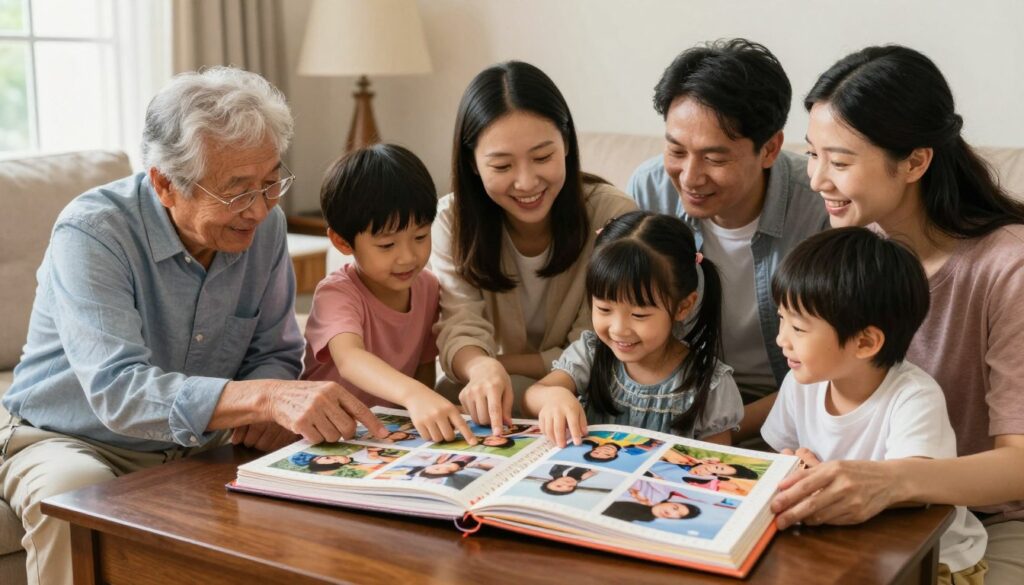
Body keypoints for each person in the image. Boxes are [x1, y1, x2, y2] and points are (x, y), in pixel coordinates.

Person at [0, 67, 386, 585]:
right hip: (69, 436)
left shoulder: (266, 225)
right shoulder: (92, 232)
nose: (258, 209)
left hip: (199, 437)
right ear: (164, 183)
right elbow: (120, 392)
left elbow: (273, 349)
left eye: (271, 181)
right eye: (235, 192)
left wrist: (268, 400)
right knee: (79, 499)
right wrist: (265, 399)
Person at [771, 45, 1024, 585]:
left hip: (988, 522)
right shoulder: (856, 243)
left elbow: (1019, 465)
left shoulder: (1009, 269)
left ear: (914, 161)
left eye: (839, 162)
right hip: (879, 511)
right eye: (812, 154)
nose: (816, 180)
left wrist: (889, 482)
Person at [761, 227, 988, 582]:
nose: (781, 339)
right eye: (781, 319)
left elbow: (916, 493)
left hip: (937, 556)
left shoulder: (914, 397)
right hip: (847, 540)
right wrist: (791, 469)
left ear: (865, 342)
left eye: (798, 328)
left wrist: (827, 482)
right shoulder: (801, 381)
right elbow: (781, 452)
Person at [627, 39, 829, 435]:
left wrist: (727, 429)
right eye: (676, 151)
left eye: (715, 158)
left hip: (787, 408)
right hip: (680, 400)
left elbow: (835, 366)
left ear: (770, 148)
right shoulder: (650, 191)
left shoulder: (820, 207)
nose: (689, 177)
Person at [432, 61, 638, 435]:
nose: (526, 182)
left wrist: (502, 363)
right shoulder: (450, 221)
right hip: (492, 392)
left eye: (543, 157)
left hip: (582, 392)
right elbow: (459, 324)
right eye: (502, 165)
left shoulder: (613, 215)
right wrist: (482, 367)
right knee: (453, 392)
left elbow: (597, 343)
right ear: (473, 164)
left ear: (567, 145)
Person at [302, 144, 475, 444]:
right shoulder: (336, 294)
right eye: (387, 245)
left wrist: (423, 403)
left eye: (420, 236)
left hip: (390, 438)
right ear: (342, 242)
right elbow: (350, 358)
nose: (408, 257)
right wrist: (414, 394)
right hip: (328, 436)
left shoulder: (429, 287)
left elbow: (423, 369)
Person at [523, 211, 743, 446]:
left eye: (639, 315)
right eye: (604, 309)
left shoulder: (709, 385)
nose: (619, 329)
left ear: (683, 306)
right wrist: (554, 396)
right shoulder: (590, 353)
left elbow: (717, 466)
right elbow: (532, 396)